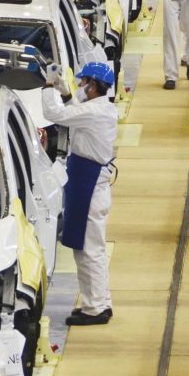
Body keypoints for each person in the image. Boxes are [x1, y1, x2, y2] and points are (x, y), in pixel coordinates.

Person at [41, 62, 118, 327]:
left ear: (94, 85)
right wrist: (64, 92)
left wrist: (48, 86)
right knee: (88, 249)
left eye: (84, 82)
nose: (82, 86)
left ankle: (96, 308)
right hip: (87, 182)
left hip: (90, 185)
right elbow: (75, 112)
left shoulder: (96, 112)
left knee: (90, 250)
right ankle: (97, 302)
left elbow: (52, 114)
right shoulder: (98, 109)